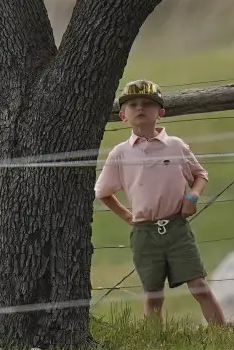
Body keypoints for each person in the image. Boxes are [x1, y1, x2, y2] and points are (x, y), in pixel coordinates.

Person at [95, 79, 226, 326]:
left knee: (198, 285)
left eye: (148, 104)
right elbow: (102, 192)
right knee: (153, 294)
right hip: (145, 232)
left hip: (177, 228)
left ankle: (221, 332)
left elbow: (200, 175)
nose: (140, 108)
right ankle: (154, 340)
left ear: (161, 112)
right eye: (133, 105)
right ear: (123, 115)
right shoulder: (120, 154)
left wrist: (192, 197)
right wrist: (127, 216)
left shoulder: (175, 146)